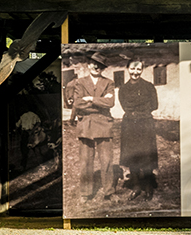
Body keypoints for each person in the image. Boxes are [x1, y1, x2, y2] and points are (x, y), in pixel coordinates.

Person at [64, 59, 116, 201]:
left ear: (103, 68)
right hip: (85, 126)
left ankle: (109, 192)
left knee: (106, 160)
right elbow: (78, 103)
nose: (96, 67)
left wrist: (90, 98)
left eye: (100, 65)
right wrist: (100, 101)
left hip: (104, 125)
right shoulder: (79, 82)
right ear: (88, 65)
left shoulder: (109, 83)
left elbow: (110, 103)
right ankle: (86, 193)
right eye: (94, 64)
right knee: (86, 161)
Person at [118, 59, 159, 201]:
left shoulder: (149, 87)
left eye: (138, 69)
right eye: (132, 69)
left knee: (146, 155)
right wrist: (137, 110)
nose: (135, 72)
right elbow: (124, 106)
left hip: (146, 124)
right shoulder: (123, 88)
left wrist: (140, 111)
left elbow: (155, 105)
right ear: (128, 68)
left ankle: (148, 187)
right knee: (132, 155)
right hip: (129, 125)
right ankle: (136, 186)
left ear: (142, 70)